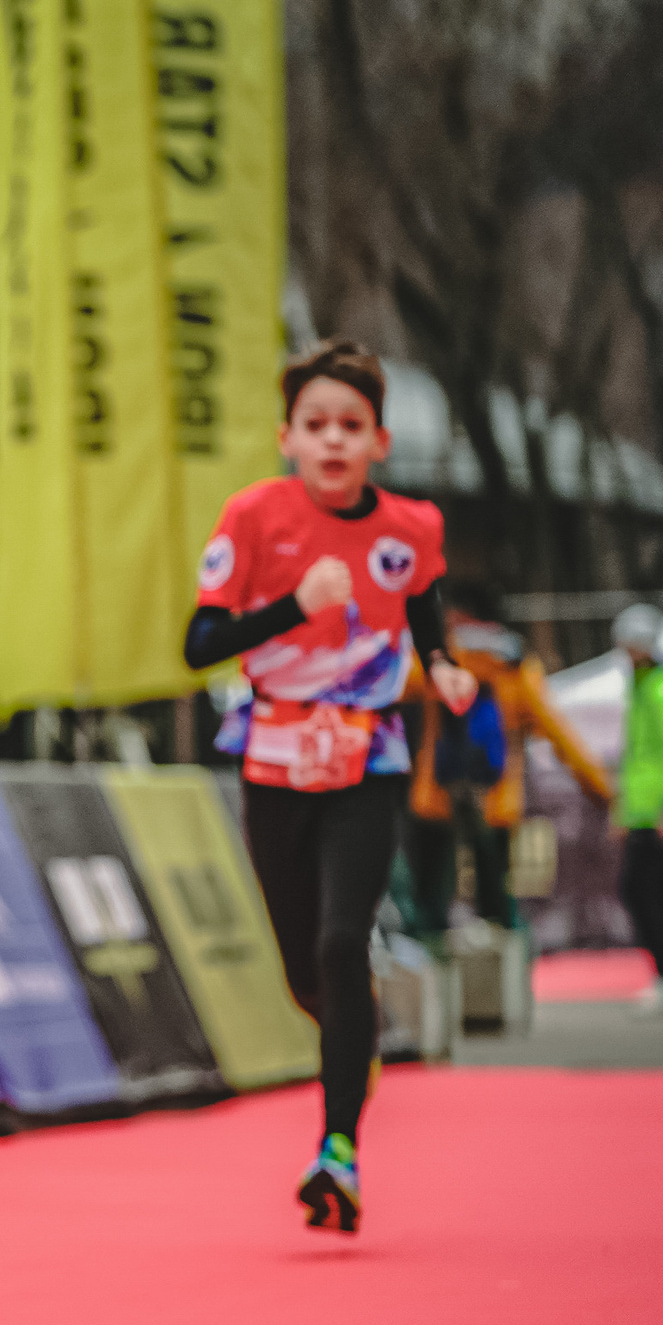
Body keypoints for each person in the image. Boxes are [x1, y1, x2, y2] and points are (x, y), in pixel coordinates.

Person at [184, 339, 477, 1235]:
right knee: (308, 972)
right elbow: (199, 646)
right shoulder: (251, 516)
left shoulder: (411, 527)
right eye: (316, 425)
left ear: (379, 442)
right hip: (273, 759)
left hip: (367, 756)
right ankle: (351, 1033)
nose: (334, 441)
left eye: (351, 425)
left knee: (345, 938)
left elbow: (423, 607)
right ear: (288, 437)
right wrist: (294, 607)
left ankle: (337, 1150)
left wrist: (444, 665)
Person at [403, 585, 611, 944]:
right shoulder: (513, 664)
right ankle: (502, 971)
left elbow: (398, 683)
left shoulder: (440, 659)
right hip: (495, 799)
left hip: (438, 795)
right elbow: (558, 731)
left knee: (431, 898)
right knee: (496, 894)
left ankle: (432, 967)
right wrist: (600, 787)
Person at [613, 604, 663, 1011]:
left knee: (644, 891)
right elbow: (634, 757)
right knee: (637, 890)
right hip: (642, 811)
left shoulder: (659, 689)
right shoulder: (640, 687)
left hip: (656, 812)